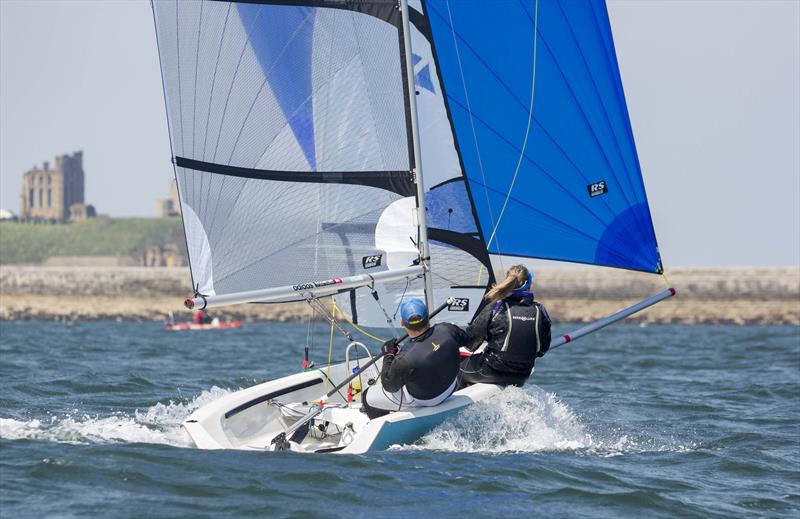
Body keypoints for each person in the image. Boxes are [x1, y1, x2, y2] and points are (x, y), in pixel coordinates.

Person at [361, 298, 464, 419]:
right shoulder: (448, 329)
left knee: (367, 396)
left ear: (402, 323)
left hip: (426, 400)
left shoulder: (404, 358)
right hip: (451, 387)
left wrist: (388, 355)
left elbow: (390, 386)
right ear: (428, 318)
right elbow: (469, 340)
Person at [458, 265, 551, 388]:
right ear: (529, 284)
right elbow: (542, 350)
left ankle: (453, 401)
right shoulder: (540, 310)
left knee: (455, 365)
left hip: (492, 371)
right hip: (523, 374)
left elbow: (470, 343)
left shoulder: (496, 307)